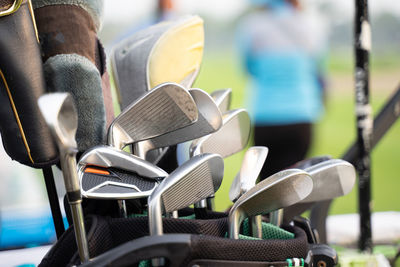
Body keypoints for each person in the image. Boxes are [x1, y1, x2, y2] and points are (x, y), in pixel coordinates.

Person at [236, 0, 328, 179]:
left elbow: (248, 68)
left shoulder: (252, 25)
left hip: (264, 116)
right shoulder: (311, 24)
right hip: (301, 115)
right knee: (295, 187)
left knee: (267, 191)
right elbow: (319, 68)